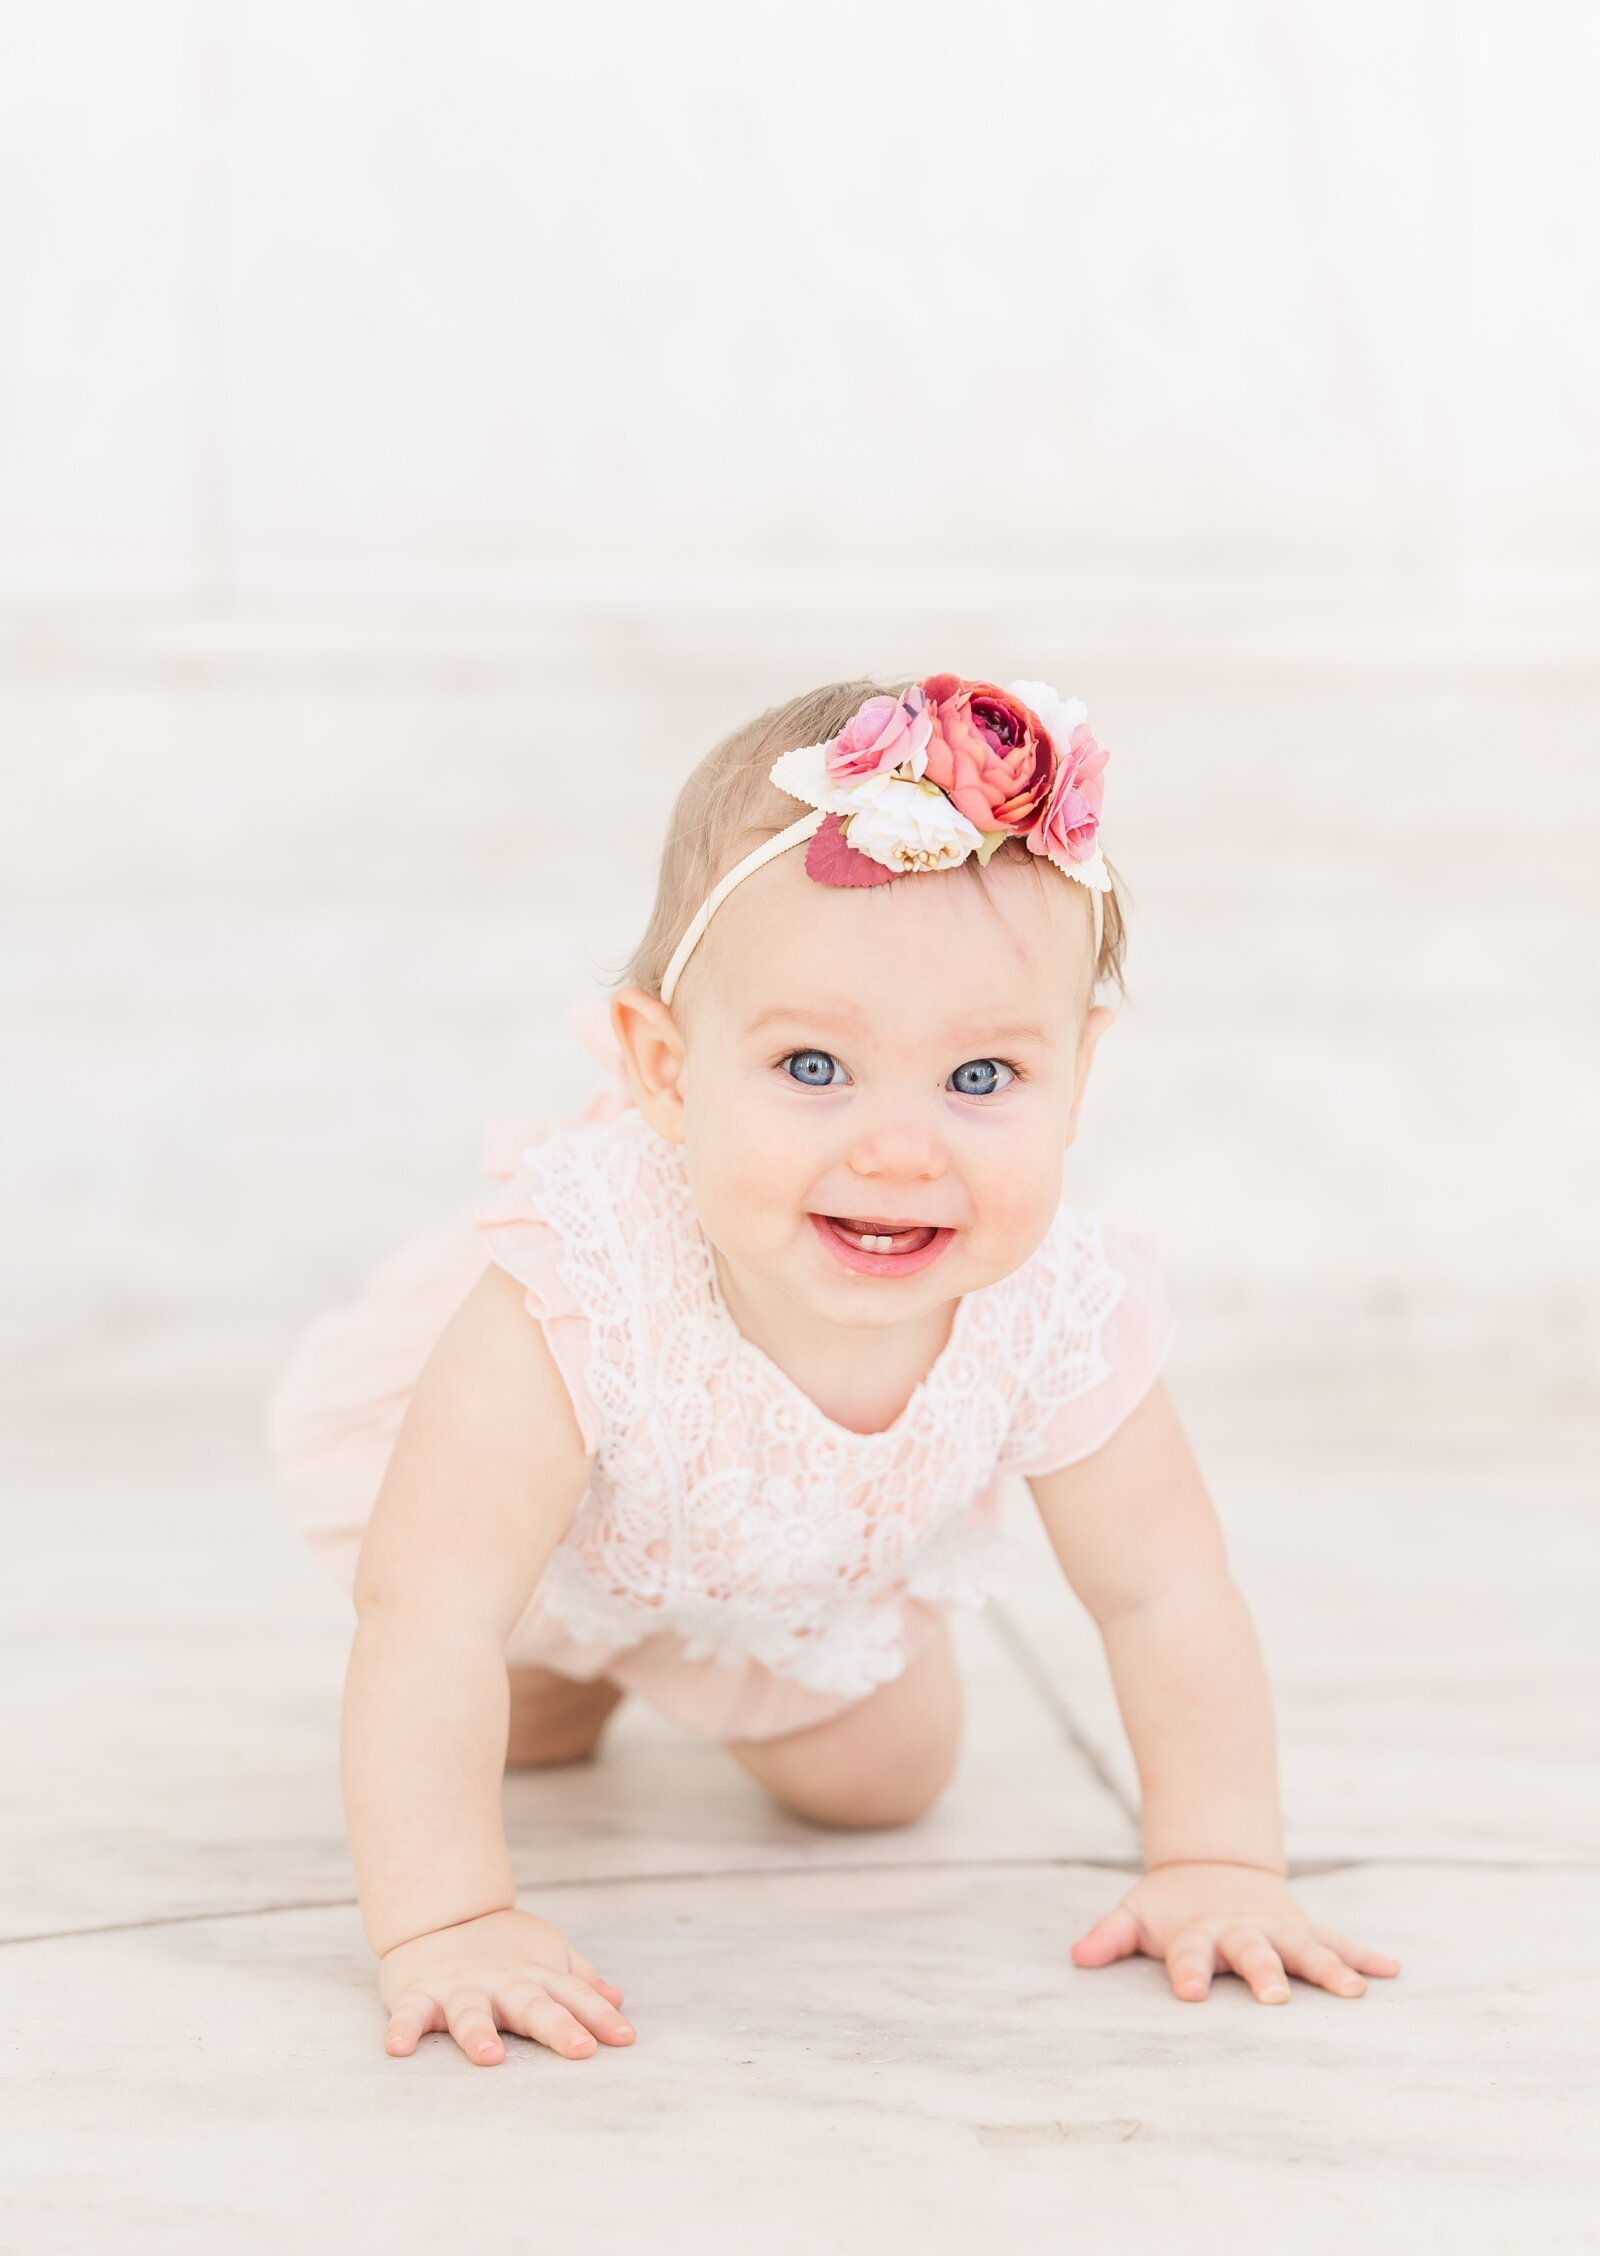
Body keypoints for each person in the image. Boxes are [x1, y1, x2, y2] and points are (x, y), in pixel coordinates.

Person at [267, 672, 1399, 2069]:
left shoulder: (1055, 1303)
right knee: (503, 1660)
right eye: (813, 1065)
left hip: (785, 1567)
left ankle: (648, 1661)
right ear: (666, 1071)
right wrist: (447, 1924)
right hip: (543, 1534)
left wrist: (1223, 1859)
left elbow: (1164, 1588)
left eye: (981, 1079)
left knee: (886, 1783)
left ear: (1078, 1074)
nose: (900, 1149)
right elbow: (427, 1605)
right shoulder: (585, 1274)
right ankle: (578, 1671)